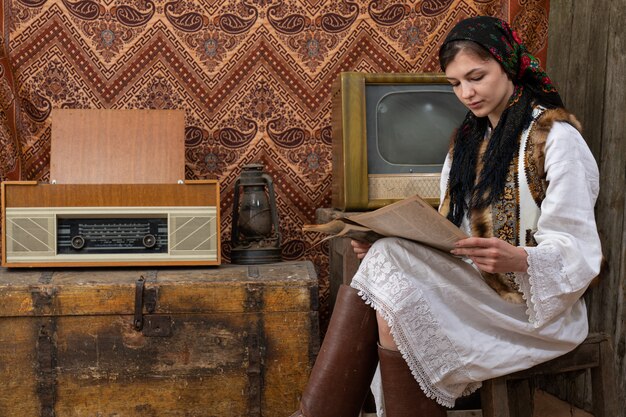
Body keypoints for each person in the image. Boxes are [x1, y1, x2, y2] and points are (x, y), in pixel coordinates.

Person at [290, 16, 601, 417]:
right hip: (475, 286)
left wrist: (520, 259)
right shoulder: (467, 144)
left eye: (477, 77)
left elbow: (577, 247)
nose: (467, 93)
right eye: (455, 84)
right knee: (386, 259)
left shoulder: (557, 139)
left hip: (532, 309)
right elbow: (451, 236)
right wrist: (387, 240)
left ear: (508, 66)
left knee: (391, 288)